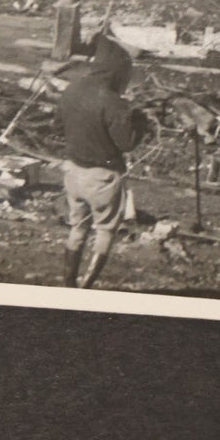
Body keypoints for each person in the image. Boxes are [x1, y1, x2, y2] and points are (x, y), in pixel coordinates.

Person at [53, 35, 146, 288]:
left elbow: (58, 126)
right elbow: (127, 144)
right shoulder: (113, 103)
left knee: (77, 228)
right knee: (104, 231)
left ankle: (68, 284)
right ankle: (86, 288)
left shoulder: (72, 90)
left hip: (73, 172)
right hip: (102, 178)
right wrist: (138, 122)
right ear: (117, 71)